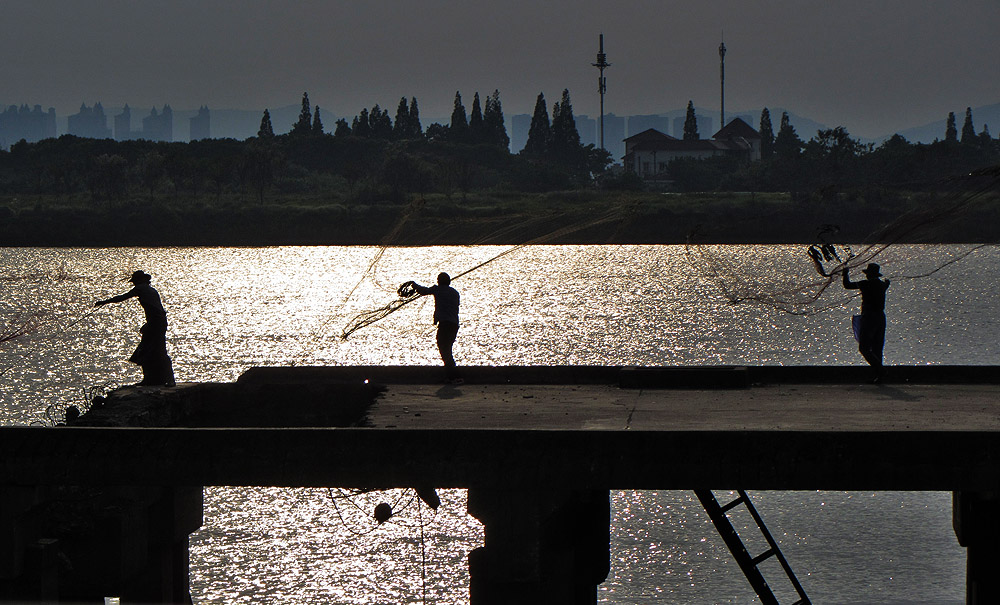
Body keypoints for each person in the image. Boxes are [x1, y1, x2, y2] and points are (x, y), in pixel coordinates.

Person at [95, 270, 175, 387]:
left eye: (135, 282)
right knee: (151, 350)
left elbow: (122, 297)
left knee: (153, 350)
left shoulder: (141, 288)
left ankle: (166, 380)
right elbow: (156, 311)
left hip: (156, 323)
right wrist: (148, 325)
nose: (134, 284)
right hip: (157, 322)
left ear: (141, 281)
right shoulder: (151, 290)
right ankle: (153, 379)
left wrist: (105, 302)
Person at [407, 272, 462, 384]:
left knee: (444, 349)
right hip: (454, 325)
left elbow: (424, 291)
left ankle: (454, 377)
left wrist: (414, 285)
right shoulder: (455, 293)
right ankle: (450, 375)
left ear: (439, 281)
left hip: (445, 324)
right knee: (447, 349)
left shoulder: (437, 290)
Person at [842, 262, 890, 381]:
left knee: (864, 348)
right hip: (880, 317)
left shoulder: (865, 284)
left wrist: (845, 274)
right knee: (877, 348)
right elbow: (885, 285)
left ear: (868, 275)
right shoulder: (882, 285)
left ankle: (880, 371)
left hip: (869, 317)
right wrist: (887, 284)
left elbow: (847, 285)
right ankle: (878, 376)